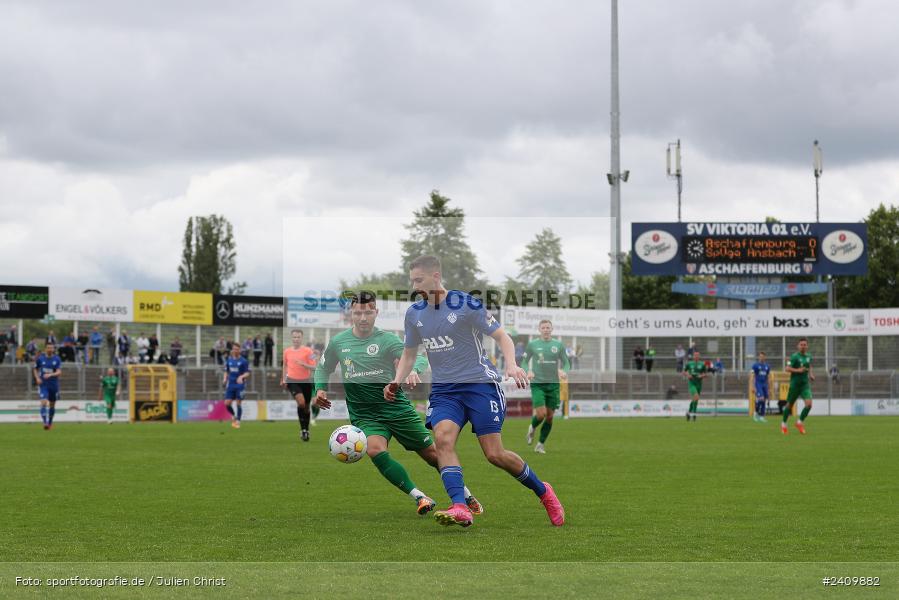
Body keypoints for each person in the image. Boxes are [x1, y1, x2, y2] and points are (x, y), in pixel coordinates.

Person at [388, 255, 564, 528]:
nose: (414, 286)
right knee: (443, 440)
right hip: (446, 390)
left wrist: (513, 364)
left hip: (481, 386)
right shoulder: (414, 314)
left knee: (494, 454)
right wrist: (396, 381)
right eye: (412, 281)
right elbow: (409, 354)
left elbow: (502, 336)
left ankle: (544, 492)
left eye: (419, 280)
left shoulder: (466, 304)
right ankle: (460, 505)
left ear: (436, 277)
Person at [314, 291, 483, 516]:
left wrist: (413, 370)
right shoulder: (339, 342)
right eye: (357, 313)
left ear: (376, 312)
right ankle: (419, 497)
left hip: (396, 409)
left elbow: (419, 357)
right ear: (351, 314)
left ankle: (465, 494)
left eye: (368, 312)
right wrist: (320, 388)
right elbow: (323, 367)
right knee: (374, 450)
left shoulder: (387, 340)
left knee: (433, 455)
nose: (363, 317)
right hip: (365, 414)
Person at [520, 319, 570, 454]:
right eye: (544, 328)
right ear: (539, 329)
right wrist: (527, 371)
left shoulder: (558, 345)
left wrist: (564, 371)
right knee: (541, 414)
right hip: (538, 384)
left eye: (548, 327)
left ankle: (540, 444)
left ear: (552, 329)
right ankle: (532, 426)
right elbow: (524, 362)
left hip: (553, 385)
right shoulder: (532, 345)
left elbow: (566, 362)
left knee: (549, 416)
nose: (546, 330)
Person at [281, 330, 317, 441]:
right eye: (294, 337)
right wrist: (283, 379)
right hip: (292, 381)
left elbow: (315, 367)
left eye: (298, 337)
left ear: (302, 338)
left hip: (306, 381)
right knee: (301, 403)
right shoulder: (286, 351)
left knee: (306, 407)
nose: (296, 339)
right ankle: (303, 430)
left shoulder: (308, 351)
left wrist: (304, 364)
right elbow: (285, 366)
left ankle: (305, 430)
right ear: (291, 338)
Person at [782, 338, 814, 435]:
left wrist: (811, 374)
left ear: (807, 346)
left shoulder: (809, 356)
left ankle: (799, 422)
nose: (803, 346)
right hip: (795, 385)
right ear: (798, 346)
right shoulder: (794, 356)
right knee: (789, 406)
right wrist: (798, 370)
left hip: (804, 385)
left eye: (805, 344)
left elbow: (809, 365)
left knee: (809, 404)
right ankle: (784, 424)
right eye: (801, 344)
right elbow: (787, 368)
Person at [33, 343, 62, 430]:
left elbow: (59, 372)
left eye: (51, 348)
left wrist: (51, 374)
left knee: (52, 405)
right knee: (44, 402)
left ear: (53, 349)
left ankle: (50, 423)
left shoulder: (57, 359)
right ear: (45, 349)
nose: (50, 349)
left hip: (53, 385)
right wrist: (37, 378)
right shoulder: (40, 358)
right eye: (48, 348)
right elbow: (35, 369)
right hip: (43, 385)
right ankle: (45, 422)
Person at [223, 344, 250, 429]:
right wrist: (224, 379)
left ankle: (238, 421)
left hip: (239, 385)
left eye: (237, 349)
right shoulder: (229, 360)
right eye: (234, 349)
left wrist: (241, 377)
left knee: (238, 403)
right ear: (232, 350)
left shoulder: (243, 361)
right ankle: (234, 416)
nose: (235, 351)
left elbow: (247, 373)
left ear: (240, 350)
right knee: (227, 403)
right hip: (230, 384)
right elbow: (226, 371)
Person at [683, 350, 707, 421]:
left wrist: (701, 376)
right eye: (695, 355)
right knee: (696, 396)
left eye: (697, 355)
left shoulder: (702, 364)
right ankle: (694, 414)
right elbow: (684, 371)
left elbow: (705, 374)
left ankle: (689, 412)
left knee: (696, 399)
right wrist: (688, 375)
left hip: (699, 383)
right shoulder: (689, 364)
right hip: (692, 383)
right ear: (693, 356)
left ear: (699, 356)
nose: (696, 356)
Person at [751, 351, 771, 423]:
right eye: (760, 356)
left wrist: (769, 388)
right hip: (758, 384)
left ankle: (762, 416)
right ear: (759, 357)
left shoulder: (767, 366)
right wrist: (753, 387)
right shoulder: (755, 365)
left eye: (763, 356)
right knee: (761, 399)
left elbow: (768, 377)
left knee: (764, 400)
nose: (762, 358)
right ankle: (755, 413)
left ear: (765, 357)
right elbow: (753, 376)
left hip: (764, 385)